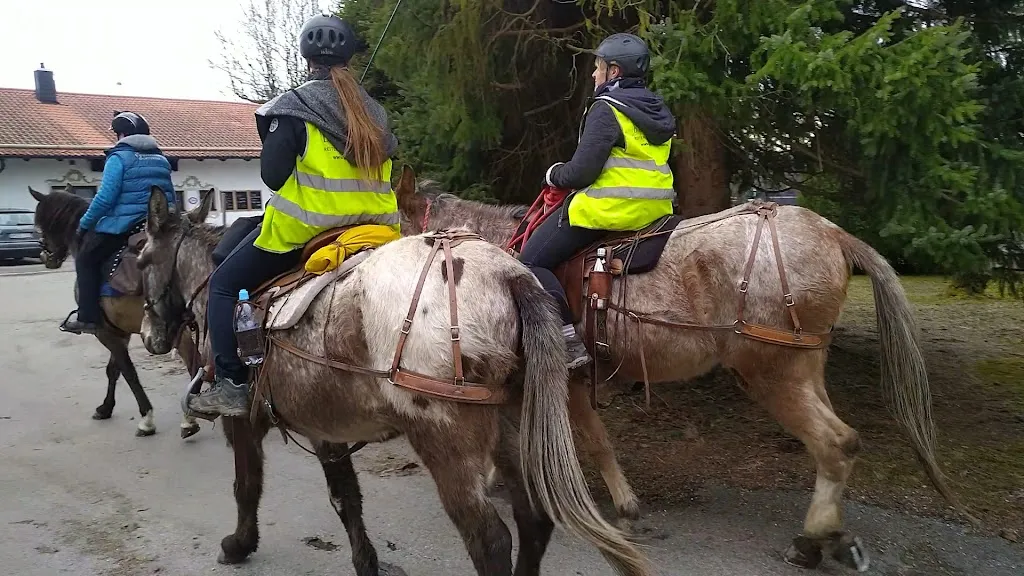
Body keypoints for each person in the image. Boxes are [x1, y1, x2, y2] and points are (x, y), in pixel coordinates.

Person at [187, 13, 400, 418]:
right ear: (350, 58)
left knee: (223, 284)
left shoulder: (295, 107)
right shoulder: (374, 113)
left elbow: (273, 175)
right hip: (374, 232)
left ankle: (231, 384)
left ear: (306, 59)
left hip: (307, 232)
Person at [518, 32, 677, 370]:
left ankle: (567, 342)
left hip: (611, 210)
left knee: (530, 261)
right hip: (656, 212)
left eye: (599, 67)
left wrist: (553, 174)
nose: (594, 74)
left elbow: (581, 173)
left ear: (615, 72)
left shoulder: (606, 109)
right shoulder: (656, 111)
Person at [63, 112, 175, 335]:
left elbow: (105, 198)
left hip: (124, 225)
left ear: (121, 134)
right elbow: (169, 196)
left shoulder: (119, 158)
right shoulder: (161, 159)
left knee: (85, 259)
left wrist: (84, 225)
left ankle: (87, 316)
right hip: (157, 224)